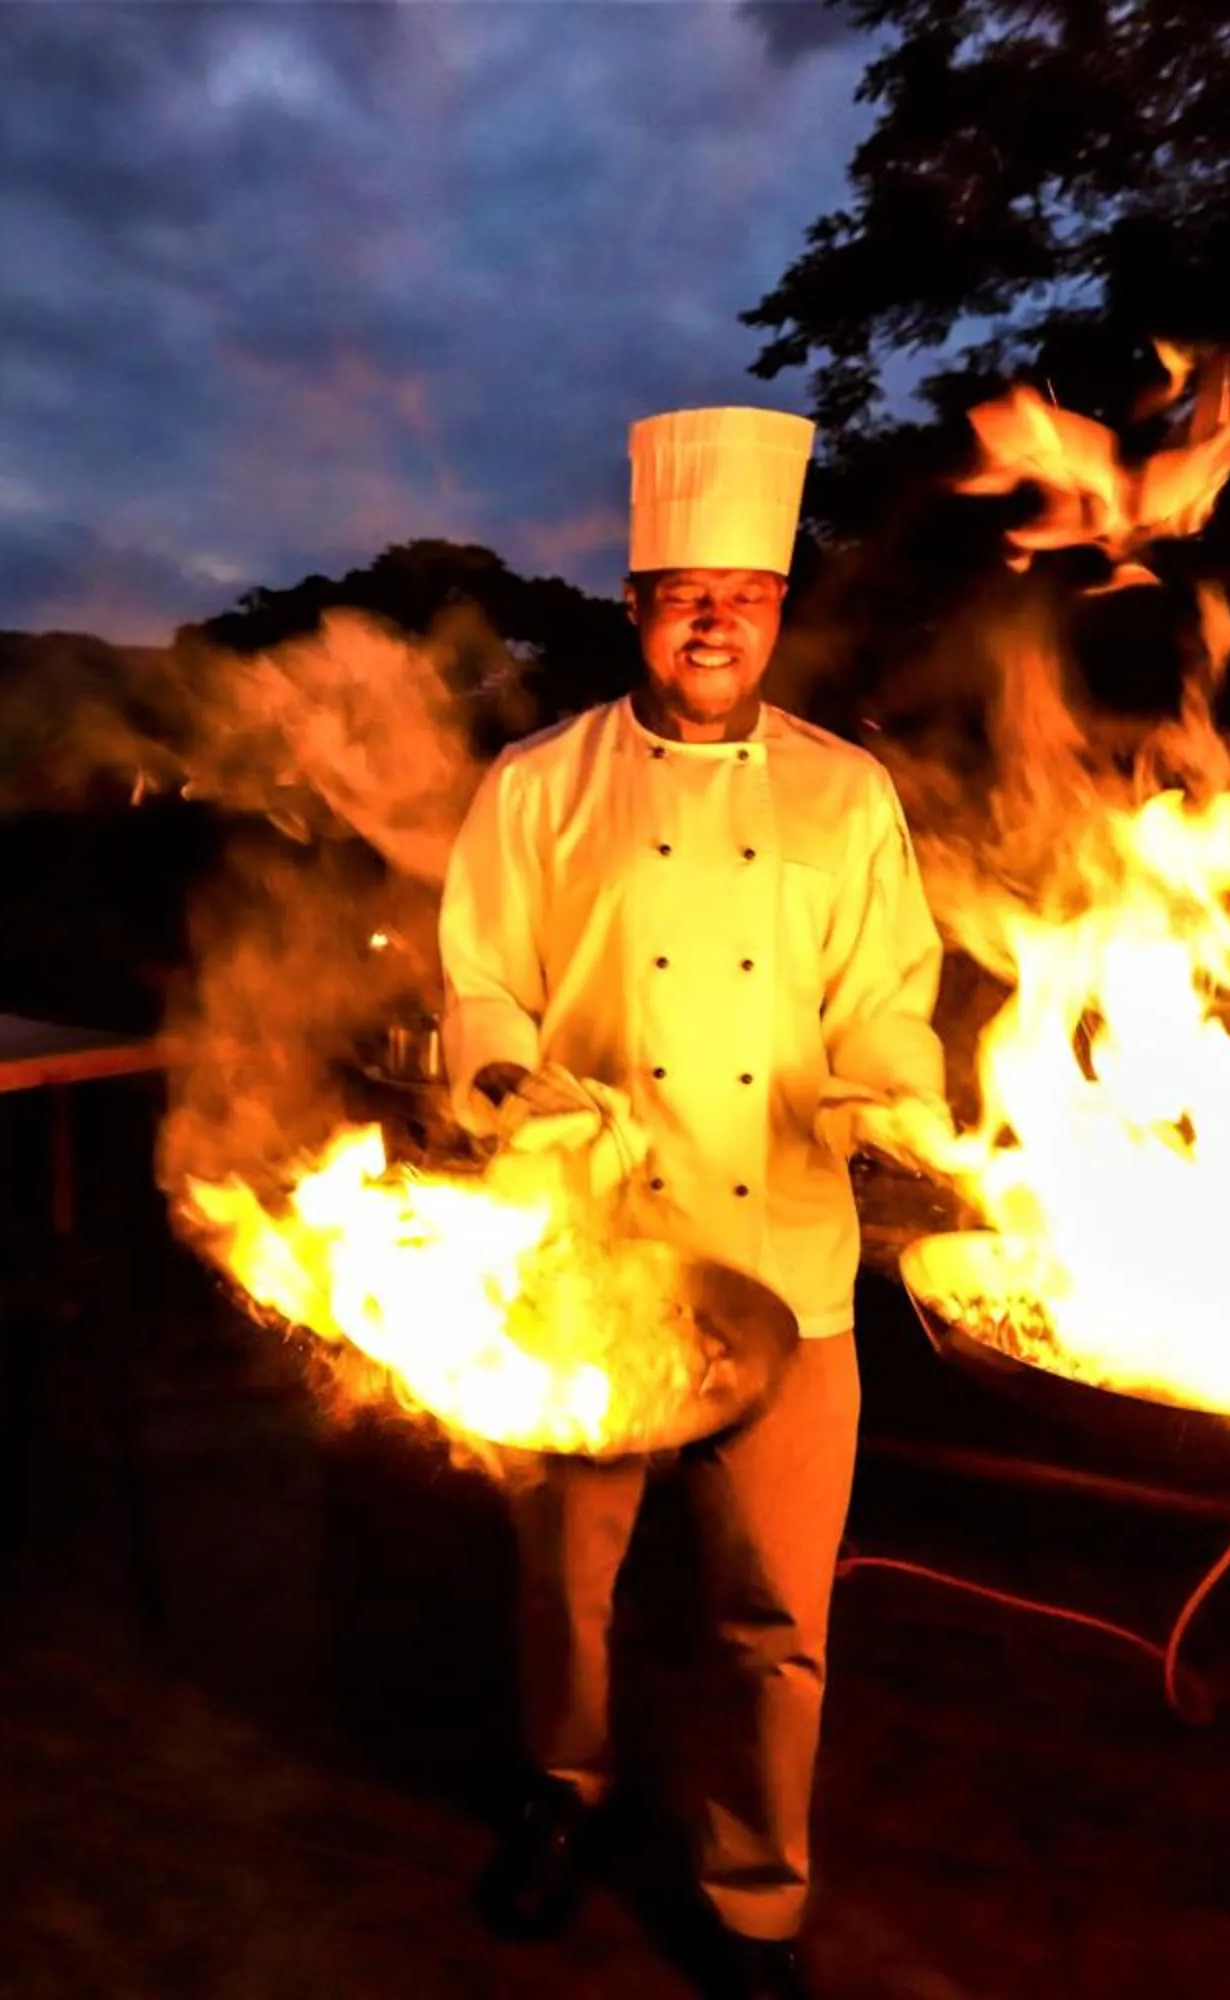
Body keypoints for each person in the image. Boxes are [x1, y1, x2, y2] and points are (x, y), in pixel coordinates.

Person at [439, 407, 946, 1998]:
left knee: (775, 1611)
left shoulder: (848, 796)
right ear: (637, 604)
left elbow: (888, 999)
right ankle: (565, 1798)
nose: (715, 615)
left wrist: (884, 1092)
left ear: (780, 610)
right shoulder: (537, 785)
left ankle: (754, 1888)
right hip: (603, 1262)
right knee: (564, 1582)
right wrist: (515, 1093)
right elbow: (481, 990)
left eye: (746, 588)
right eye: (683, 588)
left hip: (789, 1262)